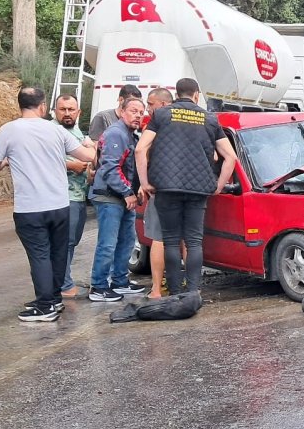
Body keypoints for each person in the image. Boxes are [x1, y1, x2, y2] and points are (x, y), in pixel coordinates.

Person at [0, 86, 97, 322]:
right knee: (56, 253)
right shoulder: (55, 130)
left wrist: (7, 161)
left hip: (30, 207)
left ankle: (45, 306)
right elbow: (87, 156)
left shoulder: (8, 130)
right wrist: (90, 144)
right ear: (44, 106)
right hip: (59, 204)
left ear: (20, 105)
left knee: (39, 255)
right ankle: (54, 299)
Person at [135, 77, 238, 298]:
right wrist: (218, 185)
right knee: (193, 241)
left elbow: (140, 149)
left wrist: (144, 182)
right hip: (199, 189)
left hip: (166, 187)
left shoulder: (161, 115)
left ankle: (173, 291)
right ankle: (193, 291)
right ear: (196, 95)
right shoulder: (210, 119)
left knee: (170, 240)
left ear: (177, 93)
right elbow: (230, 156)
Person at [88, 97, 148, 302]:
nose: (138, 115)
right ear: (121, 111)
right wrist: (127, 192)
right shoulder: (116, 133)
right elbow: (110, 168)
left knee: (127, 240)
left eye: (141, 112)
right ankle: (98, 286)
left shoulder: (131, 135)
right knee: (108, 243)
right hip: (109, 197)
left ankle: (120, 281)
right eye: (133, 111)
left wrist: (136, 188)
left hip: (122, 197)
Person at [52, 95, 96, 298]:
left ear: (79, 112)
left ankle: (62, 281)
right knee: (64, 242)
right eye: (63, 109)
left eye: (71, 109)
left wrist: (89, 171)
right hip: (60, 196)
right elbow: (41, 160)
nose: (67, 113)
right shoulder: (50, 131)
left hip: (78, 195)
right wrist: (72, 165)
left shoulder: (77, 132)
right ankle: (63, 284)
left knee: (72, 241)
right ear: (54, 111)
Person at [142, 87, 176, 299]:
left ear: (163, 105)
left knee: (159, 238)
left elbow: (141, 151)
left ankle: (156, 288)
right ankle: (187, 285)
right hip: (188, 190)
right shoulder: (192, 122)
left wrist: (144, 182)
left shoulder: (156, 123)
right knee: (186, 239)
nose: (148, 108)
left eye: (151, 104)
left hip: (161, 188)